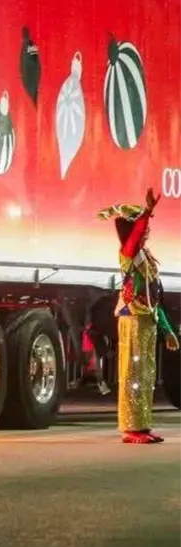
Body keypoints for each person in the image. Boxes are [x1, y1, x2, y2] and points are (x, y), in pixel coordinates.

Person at [98, 188, 180, 444]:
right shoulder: (128, 254)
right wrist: (147, 212)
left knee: (145, 375)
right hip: (132, 319)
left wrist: (167, 330)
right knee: (133, 374)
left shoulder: (147, 259)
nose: (146, 233)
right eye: (142, 229)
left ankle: (142, 426)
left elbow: (155, 298)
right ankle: (131, 428)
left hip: (147, 320)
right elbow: (134, 238)